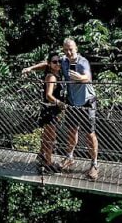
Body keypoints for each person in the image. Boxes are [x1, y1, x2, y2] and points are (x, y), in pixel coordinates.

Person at [60, 38, 99, 180]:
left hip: (86, 102)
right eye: (66, 49)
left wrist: (80, 78)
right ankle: (69, 157)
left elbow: (88, 77)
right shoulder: (63, 61)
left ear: (76, 48)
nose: (69, 52)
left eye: (71, 49)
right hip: (72, 102)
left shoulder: (82, 62)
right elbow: (47, 65)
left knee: (90, 134)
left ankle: (94, 164)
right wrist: (30, 68)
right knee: (71, 131)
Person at [21, 52, 66, 174]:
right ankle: (48, 163)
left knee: (47, 135)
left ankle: (42, 155)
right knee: (51, 137)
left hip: (53, 110)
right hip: (50, 109)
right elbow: (49, 95)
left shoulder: (56, 72)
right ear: (50, 64)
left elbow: (43, 65)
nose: (57, 64)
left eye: (59, 61)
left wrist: (30, 68)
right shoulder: (51, 77)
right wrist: (60, 103)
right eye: (54, 62)